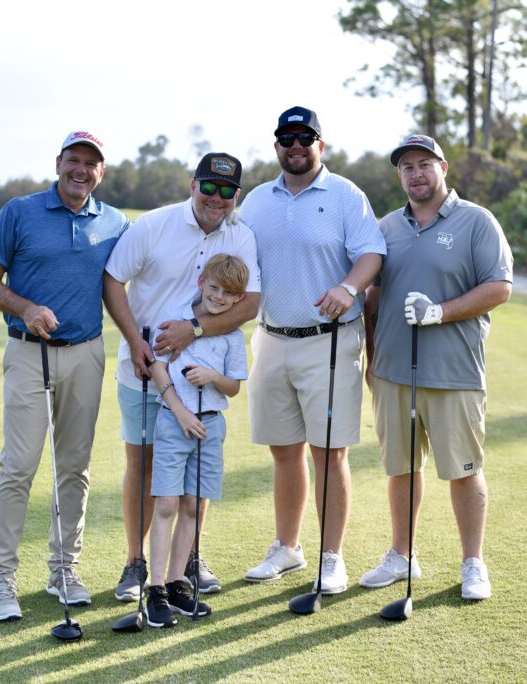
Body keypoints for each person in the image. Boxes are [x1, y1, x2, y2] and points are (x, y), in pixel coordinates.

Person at [0, 131, 129, 621]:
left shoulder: (115, 223)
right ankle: (0, 581)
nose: (81, 170)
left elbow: (123, 285)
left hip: (86, 354)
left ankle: (64, 570)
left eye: (91, 163)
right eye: (73, 160)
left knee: (75, 467)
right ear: (59, 162)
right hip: (28, 352)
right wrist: (26, 308)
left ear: (101, 172)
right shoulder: (19, 212)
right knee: (18, 466)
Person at [238, 106, 386, 595]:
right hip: (271, 339)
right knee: (284, 452)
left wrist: (348, 287)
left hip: (330, 340)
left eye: (305, 138)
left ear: (320, 144)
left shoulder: (345, 195)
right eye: (287, 139)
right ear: (276, 146)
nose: (296, 146)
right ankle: (288, 548)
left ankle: (331, 556)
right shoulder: (257, 200)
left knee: (329, 453)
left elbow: (372, 253)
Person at [360, 134, 513, 601]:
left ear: (443, 168)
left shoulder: (477, 222)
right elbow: (373, 298)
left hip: (454, 371)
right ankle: (401, 555)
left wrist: (439, 312)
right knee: (401, 468)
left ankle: (473, 563)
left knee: (463, 469)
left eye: (424, 164)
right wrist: (371, 357)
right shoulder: (386, 227)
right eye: (407, 167)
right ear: (399, 175)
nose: (416, 174)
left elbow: (499, 287)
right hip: (393, 372)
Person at [104, 152, 260, 603]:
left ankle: (188, 560)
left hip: (199, 380)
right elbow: (112, 281)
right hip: (143, 367)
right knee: (143, 464)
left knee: (195, 468)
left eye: (226, 191)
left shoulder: (242, 235)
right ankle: (136, 562)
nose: (216, 198)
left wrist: (193, 329)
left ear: (236, 195)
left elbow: (250, 304)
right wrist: (135, 341)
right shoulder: (153, 225)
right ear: (193, 185)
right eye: (208, 187)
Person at [144, 254, 250, 628]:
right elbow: (157, 366)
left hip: (211, 426)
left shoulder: (232, 336)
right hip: (175, 421)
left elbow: (233, 387)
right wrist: (180, 412)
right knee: (167, 504)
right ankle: (155, 590)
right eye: (214, 288)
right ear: (202, 282)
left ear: (239, 299)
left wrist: (212, 377)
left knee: (192, 505)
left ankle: (177, 584)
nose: (219, 297)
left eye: (228, 294)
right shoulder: (176, 320)